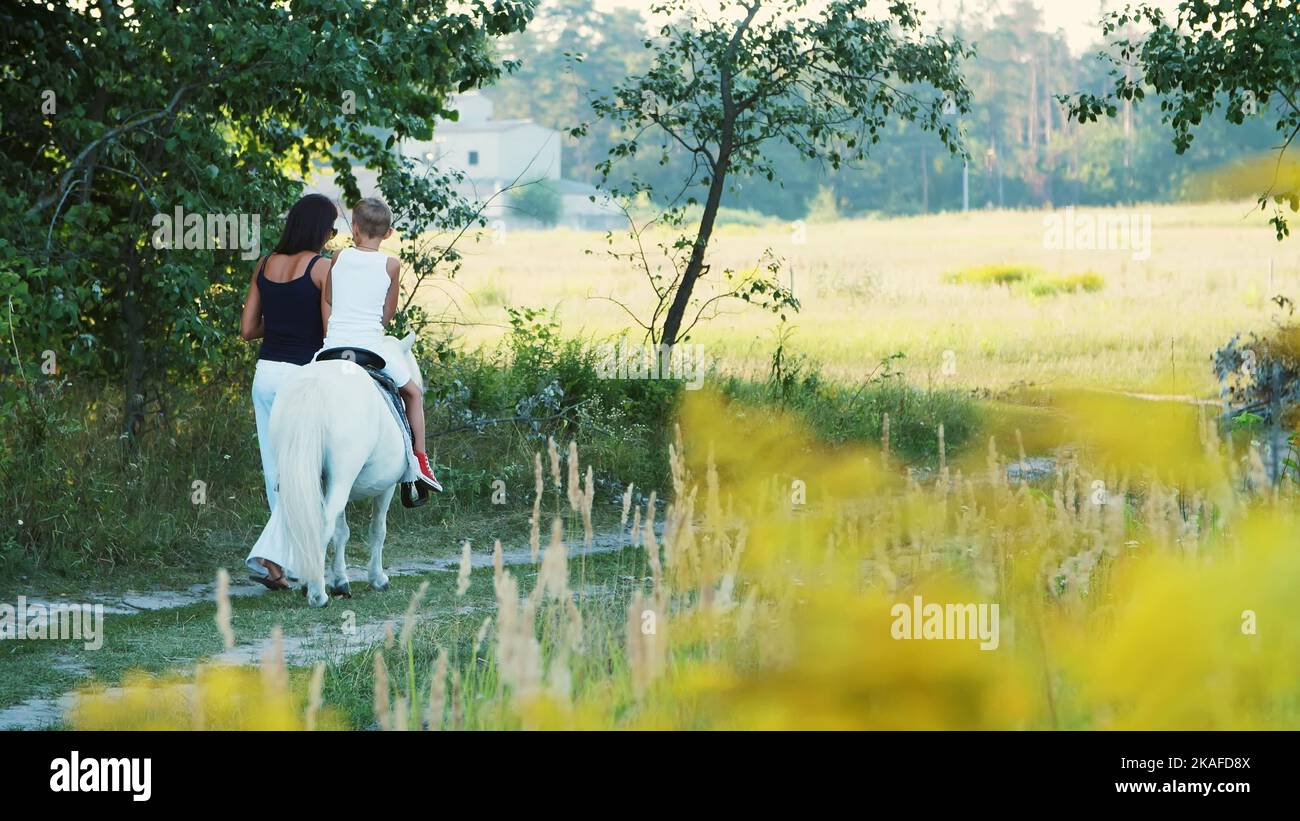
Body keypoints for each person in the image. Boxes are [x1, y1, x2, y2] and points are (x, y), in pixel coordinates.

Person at [238, 193, 336, 590]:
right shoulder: (322, 268)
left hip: (266, 376)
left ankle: (283, 564)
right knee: (305, 472)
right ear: (320, 230)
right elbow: (330, 333)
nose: (332, 235)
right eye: (331, 228)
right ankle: (271, 555)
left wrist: (278, 325)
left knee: (276, 470)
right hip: (302, 377)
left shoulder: (265, 264)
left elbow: (248, 330)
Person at [320, 197, 442, 491]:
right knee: (413, 393)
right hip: (369, 351)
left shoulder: (338, 257)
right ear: (388, 234)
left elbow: (329, 299)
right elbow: (388, 314)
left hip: (331, 349)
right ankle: (420, 463)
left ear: (355, 228)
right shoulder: (391, 265)